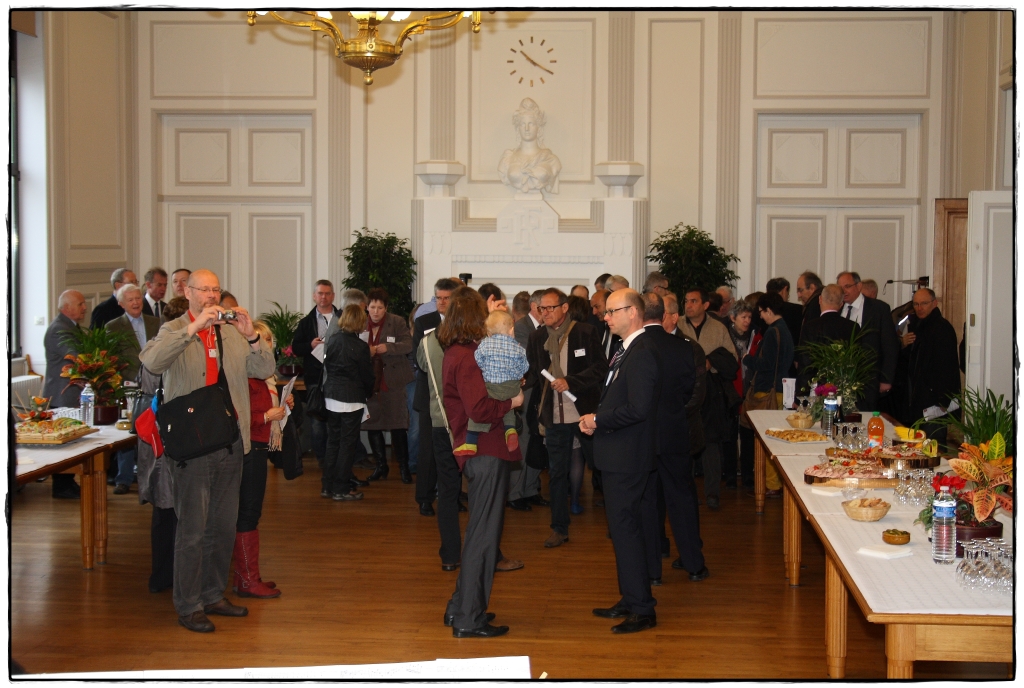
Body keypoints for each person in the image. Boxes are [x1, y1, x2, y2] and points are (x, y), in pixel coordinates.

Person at [138, 268, 276, 634]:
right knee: (193, 530)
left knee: (222, 526)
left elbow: (265, 368)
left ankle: (213, 594)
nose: (211, 296)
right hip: (193, 445)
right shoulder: (173, 330)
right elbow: (151, 362)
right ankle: (189, 605)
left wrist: (251, 337)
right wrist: (193, 327)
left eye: (215, 290)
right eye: (204, 290)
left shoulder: (230, 332)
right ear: (188, 292)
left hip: (231, 442)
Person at [439, 287, 524, 638]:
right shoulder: (466, 356)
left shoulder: (458, 352)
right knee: (483, 536)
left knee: (480, 532)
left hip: (478, 451)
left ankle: (460, 607)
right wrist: (511, 402)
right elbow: (479, 408)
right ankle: (469, 619)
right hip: (485, 451)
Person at [579, 288, 660, 634]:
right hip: (621, 454)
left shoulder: (641, 352)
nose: (606, 317)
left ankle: (642, 608)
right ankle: (632, 597)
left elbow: (638, 409)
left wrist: (598, 420)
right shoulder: (626, 348)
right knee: (626, 530)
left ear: (633, 312)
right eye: (606, 312)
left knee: (625, 531)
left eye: (613, 311)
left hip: (628, 456)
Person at [526, 288, 607, 548]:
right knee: (557, 474)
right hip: (555, 417)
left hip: (585, 414)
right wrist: (519, 380)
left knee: (602, 467)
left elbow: (600, 368)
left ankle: (617, 522)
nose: (545, 312)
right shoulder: (537, 337)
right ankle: (559, 528)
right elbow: (534, 372)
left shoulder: (585, 332)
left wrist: (570, 381)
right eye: (542, 308)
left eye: (550, 307)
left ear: (564, 308)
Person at [233, 320, 293, 599]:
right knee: (247, 512)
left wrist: (282, 407)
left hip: (258, 445)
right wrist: (269, 415)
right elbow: (240, 417)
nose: (268, 345)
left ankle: (246, 576)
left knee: (251, 512)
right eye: (263, 341)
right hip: (249, 447)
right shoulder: (247, 377)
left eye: (269, 341)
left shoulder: (264, 377)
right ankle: (247, 579)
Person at [677, 288, 738, 509]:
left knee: (711, 442)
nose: (688, 305)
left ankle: (712, 493)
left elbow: (733, 359)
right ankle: (687, 493)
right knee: (685, 442)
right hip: (684, 389)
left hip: (711, 392)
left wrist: (712, 362)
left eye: (694, 301)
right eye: (686, 301)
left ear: (705, 305)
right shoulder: (677, 326)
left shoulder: (718, 327)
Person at [105, 284, 160, 495]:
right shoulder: (113, 327)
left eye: (138, 298)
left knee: (154, 428)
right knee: (128, 432)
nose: (136, 302)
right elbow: (111, 359)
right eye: (130, 300)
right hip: (128, 387)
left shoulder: (156, 322)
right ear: (121, 304)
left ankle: (154, 477)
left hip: (155, 385)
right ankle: (124, 478)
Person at [412, 278, 459, 516]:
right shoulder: (424, 322)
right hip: (428, 394)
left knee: (455, 446)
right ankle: (425, 497)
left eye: (446, 298)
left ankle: (452, 495)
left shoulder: (462, 324)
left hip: (456, 395)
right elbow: (418, 358)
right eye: (438, 298)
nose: (441, 302)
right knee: (428, 449)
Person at [321, 304, 375, 501]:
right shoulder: (360, 347)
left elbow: (327, 366)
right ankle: (341, 488)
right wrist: (368, 393)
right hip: (352, 398)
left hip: (331, 395)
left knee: (333, 442)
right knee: (347, 444)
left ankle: (327, 486)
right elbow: (367, 376)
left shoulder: (333, 340)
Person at [744, 292, 795, 497]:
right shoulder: (785, 329)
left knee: (768, 440)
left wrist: (747, 359)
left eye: (761, 312)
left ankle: (772, 484)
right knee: (777, 438)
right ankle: (774, 483)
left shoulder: (773, 332)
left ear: (769, 310)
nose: (760, 316)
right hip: (781, 389)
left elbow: (766, 364)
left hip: (768, 391)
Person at [894, 289, 961, 442]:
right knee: (915, 444)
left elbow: (946, 367)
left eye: (924, 303)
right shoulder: (914, 326)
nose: (919, 308)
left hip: (934, 401)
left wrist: (943, 399)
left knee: (933, 444)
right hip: (915, 399)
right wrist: (903, 345)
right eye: (916, 304)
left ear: (934, 303)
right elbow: (908, 363)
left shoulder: (942, 328)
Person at [362, 288, 414, 482]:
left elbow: (408, 345)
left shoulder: (397, 322)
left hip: (393, 381)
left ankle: (403, 468)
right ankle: (380, 466)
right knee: (373, 425)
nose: (376, 312)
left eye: (380, 308)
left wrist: (388, 348)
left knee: (398, 426)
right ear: (367, 307)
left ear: (386, 308)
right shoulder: (361, 323)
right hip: (370, 382)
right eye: (372, 307)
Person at [459, 310, 528, 457]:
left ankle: (470, 442)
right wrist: (517, 376)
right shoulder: (518, 348)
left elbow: (477, 361)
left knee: (478, 410)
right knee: (509, 406)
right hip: (512, 387)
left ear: (489, 333)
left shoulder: (485, 344)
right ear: (511, 330)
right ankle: (510, 430)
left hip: (492, 387)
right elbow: (525, 367)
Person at [42, 289, 87, 499]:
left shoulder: (71, 326)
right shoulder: (58, 329)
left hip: (70, 393)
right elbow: (74, 355)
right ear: (67, 307)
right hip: (61, 395)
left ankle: (67, 483)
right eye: (80, 304)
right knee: (63, 441)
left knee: (71, 439)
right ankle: (61, 486)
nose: (84, 307)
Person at [134, 365, 176, 593]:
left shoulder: (151, 357)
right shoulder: (158, 358)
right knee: (167, 510)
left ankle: (165, 575)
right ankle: (165, 575)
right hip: (163, 430)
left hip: (162, 428)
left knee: (166, 511)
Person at [290, 280, 340, 470]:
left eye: (327, 293)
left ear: (333, 296)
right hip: (315, 380)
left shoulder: (342, 318)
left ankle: (337, 460)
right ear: (314, 296)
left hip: (338, 378)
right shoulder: (306, 322)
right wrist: (310, 345)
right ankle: (323, 462)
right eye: (320, 293)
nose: (323, 297)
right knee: (317, 425)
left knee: (337, 423)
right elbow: (296, 347)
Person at [836, 271, 899, 411]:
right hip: (842, 379)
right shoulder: (837, 309)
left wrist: (886, 379)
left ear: (859, 286)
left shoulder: (879, 309)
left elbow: (890, 346)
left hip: (869, 380)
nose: (843, 291)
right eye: (840, 288)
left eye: (847, 286)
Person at [508, 288, 546, 511]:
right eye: (545, 307)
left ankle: (531, 489)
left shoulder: (544, 328)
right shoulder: (521, 328)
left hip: (540, 393)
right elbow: (528, 362)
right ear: (534, 307)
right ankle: (514, 493)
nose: (549, 311)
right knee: (522, 442)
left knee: (537, 441)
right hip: (526, 392)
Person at [726, 299, 760, 490]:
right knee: (730, 435)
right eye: (743, 317)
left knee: (747, 435)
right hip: (731, 389)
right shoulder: (726, 334)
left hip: (749, 389)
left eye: (749, 317)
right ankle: (730, 474)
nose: (747, 321)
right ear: (733, 318)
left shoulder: (755, 336)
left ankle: (748, 474)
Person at [796, 284, 856, 394]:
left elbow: (805, 364)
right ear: (841, 304)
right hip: (845, 387)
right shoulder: (853, 327)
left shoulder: (810, 327)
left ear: (820, 299)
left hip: (818, 388)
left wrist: (801, 394)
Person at [498, 98, 561, 195]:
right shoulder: (508, 158)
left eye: (531, 124)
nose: (526, 128)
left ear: (538, 127)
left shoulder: (551, 160)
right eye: (523, 124)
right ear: (518, 128)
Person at [766, 277, 803, 363]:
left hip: (767, 358)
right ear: (784, 290)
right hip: (790, 359)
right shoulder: (797, 310)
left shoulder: (758, 311)